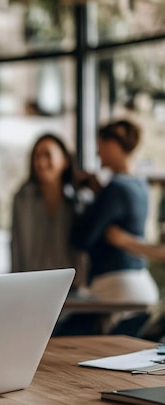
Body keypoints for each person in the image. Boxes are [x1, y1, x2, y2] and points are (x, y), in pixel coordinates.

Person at [72, 120, 159, 304]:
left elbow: (83, 238)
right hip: (141, 279)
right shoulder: (140, 184)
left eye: (100, 146)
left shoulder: (116, 188)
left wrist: (87, 202)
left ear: (112, 145)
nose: (97, 153)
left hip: (115, 285)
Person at [11, 133, 87, 289]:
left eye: (47, 154)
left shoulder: (79, 201)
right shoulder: (22, 198)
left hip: (73, 288)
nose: (41, 162)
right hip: (32, 286)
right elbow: (16, 245)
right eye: (36, 156)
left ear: (65, 160)